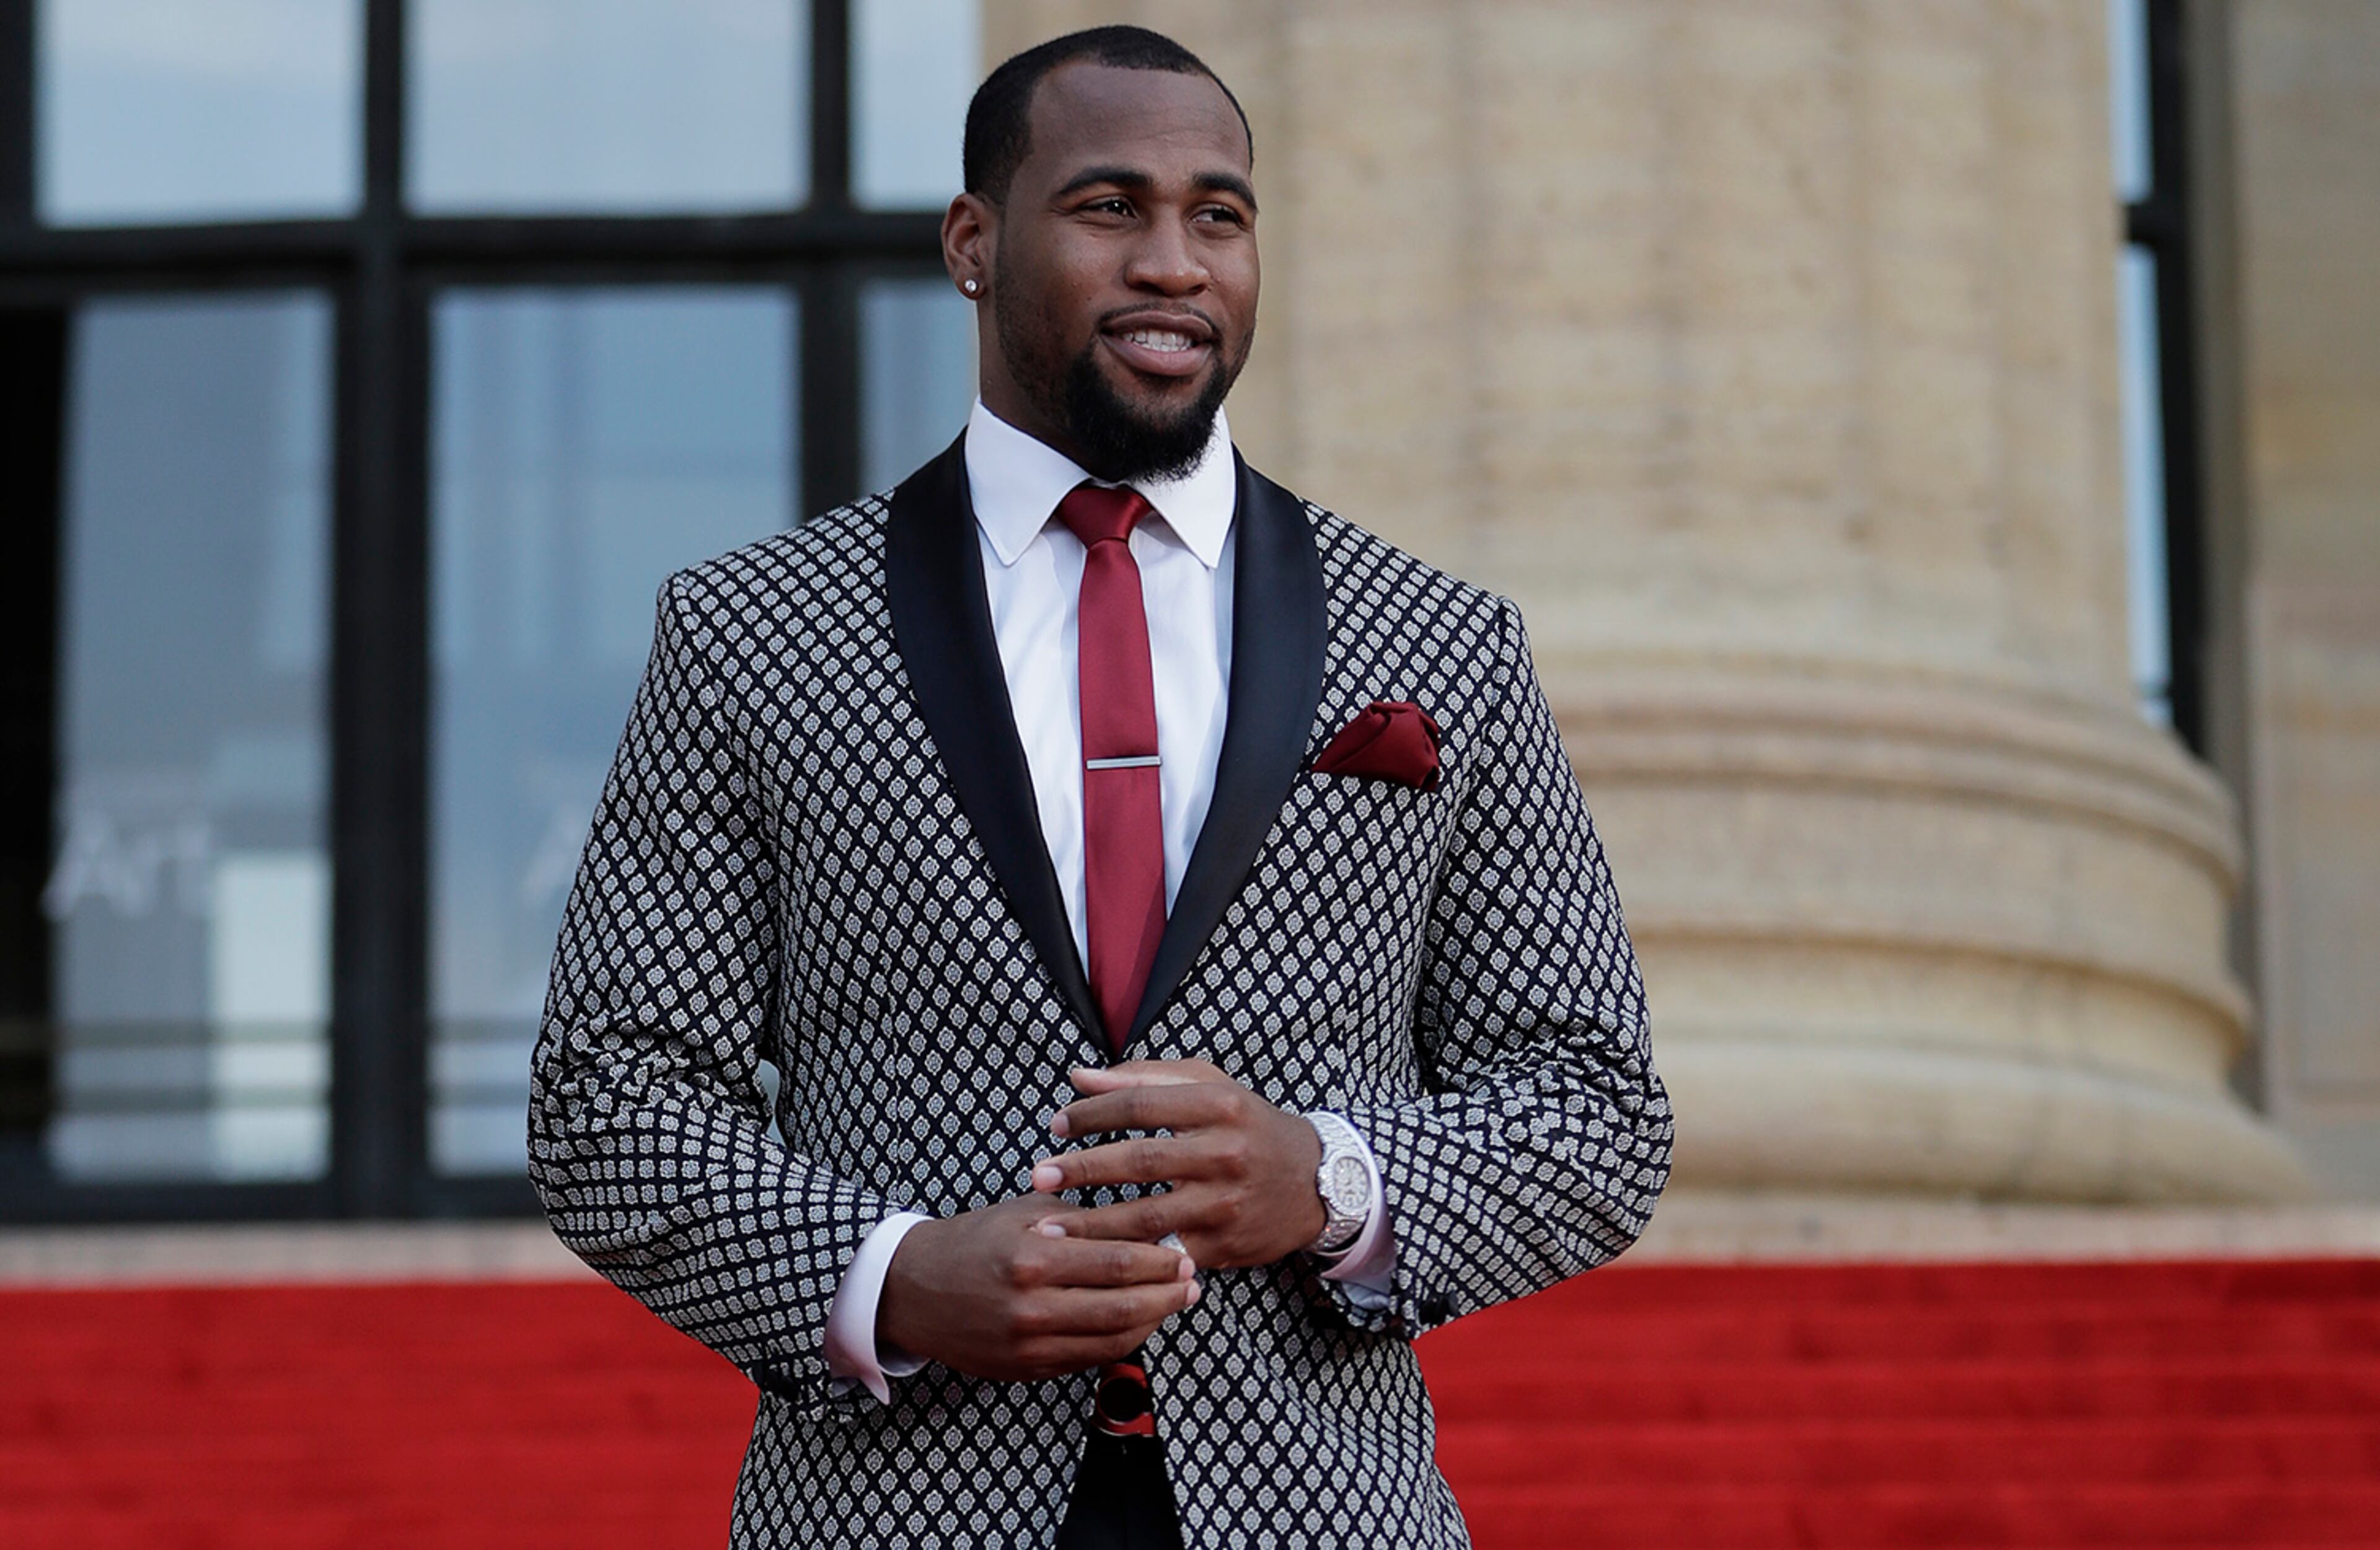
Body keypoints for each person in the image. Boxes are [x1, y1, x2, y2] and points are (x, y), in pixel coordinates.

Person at [529, 25, 1670, 1550]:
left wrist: (1324, 1182)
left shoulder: (1446, 643)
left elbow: (1599, 1108)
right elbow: (610, 1094)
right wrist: (890, 1276)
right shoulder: (750, 633)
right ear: (973, 245)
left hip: (1323, 1509)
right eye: (1111, 207)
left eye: (1220, 215)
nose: (1178, 263)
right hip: (894, 1509)